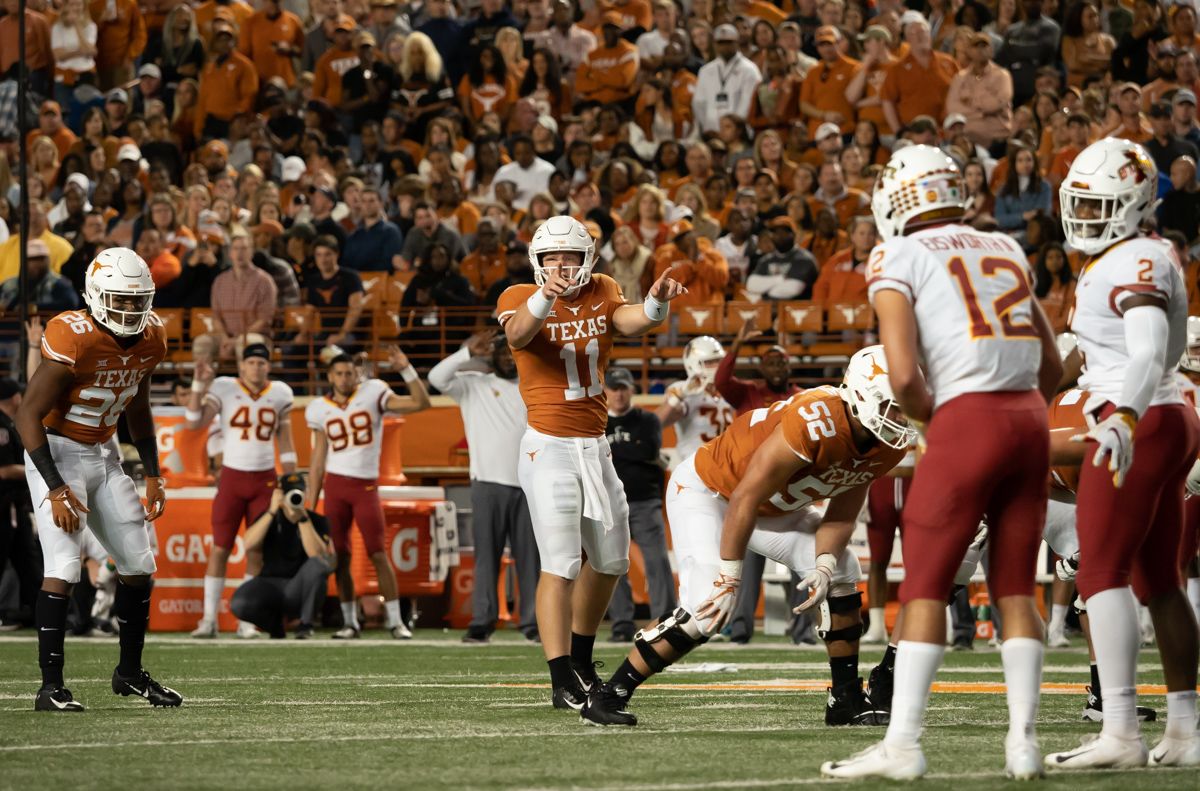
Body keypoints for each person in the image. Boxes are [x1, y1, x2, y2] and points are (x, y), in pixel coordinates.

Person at [822, 145, 1061, 780]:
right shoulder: (1004, 247)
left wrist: (936, 423)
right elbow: (1054, 368)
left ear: (896, 198)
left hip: (967, 419)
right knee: (1015, 585)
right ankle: (1024, 744)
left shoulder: (896, 253)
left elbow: (901, 376)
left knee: (925, 584)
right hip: (1030, 420)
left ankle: (902, 746)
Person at [583, 347, 913, 727]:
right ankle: (610, 693)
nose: (902, 416)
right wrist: (729, 577)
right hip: (710, 491)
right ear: (860, 395)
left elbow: (843, 508)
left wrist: (823, 565)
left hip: (769, 507)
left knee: (842, 566)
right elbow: (745, 496)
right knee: (709, 606)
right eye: (893, 404)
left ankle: (845, 698)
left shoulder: (888, 441)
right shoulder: (814, 419)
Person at [1046, 139, 1200, 769]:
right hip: (1170, 413)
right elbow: (1125, 350)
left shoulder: (1128, 260)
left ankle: (1120, 732)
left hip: (1139, 417)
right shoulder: (1147, 249)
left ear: (1133, 203)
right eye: (1079, 200)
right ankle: (1186, 729)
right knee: (1161, 580)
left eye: (1098, 203)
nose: (1083, 214)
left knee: (1100, 572)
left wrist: (1125, 416)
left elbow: (1146, 347)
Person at [495, 215, 686, 712]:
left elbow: (631, 320)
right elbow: (517, 335)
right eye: (553, 257)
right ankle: (561, 680)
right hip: (548, 446)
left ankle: (581, 660)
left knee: (611, 560)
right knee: (559, 562)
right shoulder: (518, 294)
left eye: (571, 256)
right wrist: (549, 295)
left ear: (588, 260)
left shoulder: (602, 287)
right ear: (538, 262)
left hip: (596, 447)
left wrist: (657, 300)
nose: (562, 265)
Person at [17, 247, 180, 712]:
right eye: (120, 300)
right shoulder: (75, 336)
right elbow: (27, 416)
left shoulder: (153, 337)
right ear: (95, 294)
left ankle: (128, 674)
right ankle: (51, 688)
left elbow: (140, 409)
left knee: (138, 566)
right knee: (65, 566)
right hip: (56, 449)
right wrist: (55, 487)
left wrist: (153, 473)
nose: (130, 309)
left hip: (104, 451)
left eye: (137, 300)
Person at [306, 348, 431, 639]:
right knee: (341, 556)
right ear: (330, 376)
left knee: (378, 553)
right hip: (335, 486)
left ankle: (396, 621)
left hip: (365, 486)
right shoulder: (318, 407)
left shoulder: (373, 392)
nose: (345, 378)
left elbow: (420, 403)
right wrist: (311, 510)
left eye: (349, 372)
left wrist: (406, 369)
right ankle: (350, 622)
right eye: (339, 373)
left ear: (356, 373)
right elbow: (316, 462)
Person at [429, 329, 539, 644]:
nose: (507, 358)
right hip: (487, 483)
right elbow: (436, 378)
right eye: (501, 353)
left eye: (512, 354)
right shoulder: (474, 386)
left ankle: (531, 622)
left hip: (529, 484)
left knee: (531, 559)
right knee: (486, 557)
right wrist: (466, 353)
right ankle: (482, 622)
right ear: (491, 357)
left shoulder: (534, 388)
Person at [186, 343, 298, 639]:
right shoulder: (224, 387)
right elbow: (193, 421)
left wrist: (291, 478)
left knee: (256, 549)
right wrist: (198, 384)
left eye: (261, 363)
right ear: (241, 365)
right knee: (221, 547)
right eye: (251, 362)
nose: (256, 368)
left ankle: (247, 620)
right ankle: (209, 619)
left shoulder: (280, 393)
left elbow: (285, 440)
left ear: (268, 367)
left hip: (264, 480)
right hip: (232, 479)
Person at [603, 366, 676, 643]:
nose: (619, 394)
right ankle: (621, 622)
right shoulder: (596, 420)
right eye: (614, 388)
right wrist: (632, 449)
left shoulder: (647, 420)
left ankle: (666, 620)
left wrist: (614, 451)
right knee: (611, 566)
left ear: (631, 390)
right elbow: (638, 452)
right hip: (608, 503)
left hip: (644, 501)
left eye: (623, 388)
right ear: (605, 391)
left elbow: (648, 450)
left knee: (657, 561)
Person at [230, 473, 335, 639]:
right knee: (239, 603)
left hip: (299, 587)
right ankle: (275, 627)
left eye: (298, 493)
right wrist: (272, 510)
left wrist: (302, 519)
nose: (293, 497)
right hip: (270, 584)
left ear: (305, 494)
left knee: (318, 566)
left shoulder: (317, 520)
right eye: (290, 493)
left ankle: (305, 625)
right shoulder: (269, 517)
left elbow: (316, 554)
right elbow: (248, 544)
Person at [656, 336, 736, 463]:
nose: (717, 366)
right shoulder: (681, 389)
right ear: (693, 364)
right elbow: (656, 423)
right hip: (694, 467)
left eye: (719, 361)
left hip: (723, 465)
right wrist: (679, 396)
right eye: (710, 362)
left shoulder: (727, 389)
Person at [693, 24, 762, 136]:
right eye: (721, 43)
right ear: (714, 44)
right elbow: (699, 103)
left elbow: (748, 103)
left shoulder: (749, 69)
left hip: (740, 133)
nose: (725, 46)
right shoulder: (705, 70)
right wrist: (708, 127)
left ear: (737, 43)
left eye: (729, 42)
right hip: (712, 132)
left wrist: (733, 129)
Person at [746, 215, 819, 301]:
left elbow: (793, 289)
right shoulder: (766, 260)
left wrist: (762, 296)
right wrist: (780, 279)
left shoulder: (804, 258)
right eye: (775, 232)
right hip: (770, 310)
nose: (779, 236)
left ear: (794, 234)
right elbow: (751, 285)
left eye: (784, 232)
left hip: (799, 310)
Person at [342, 186, 405, 273]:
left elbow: (388, 262)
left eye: (371, 201)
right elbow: (346, 262)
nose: (367, 205)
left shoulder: (391, 231)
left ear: (381, 203)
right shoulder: (355, 234)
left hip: (380, 280)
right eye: (363, 201)